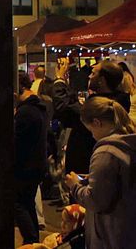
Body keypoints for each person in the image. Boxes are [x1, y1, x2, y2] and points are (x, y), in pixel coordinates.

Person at [64, 96, 136, 249]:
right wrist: (93, 179)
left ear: (97, 123)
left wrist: (74, 186)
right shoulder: (129, 144)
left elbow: (96, 201)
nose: (92, 135)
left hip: (109, 236)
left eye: (90, 130)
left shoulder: (105, 152)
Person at [53, 59, 130, 174]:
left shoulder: (105, 105)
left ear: (102, 80)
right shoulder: (117, 99)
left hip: (89, 165)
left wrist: (59, 80)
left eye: (93, 73)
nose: (89, 76)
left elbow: (66, 109)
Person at [15, 72, 49, 245]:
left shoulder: (26, 112)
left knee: (18, 203)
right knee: (27, 204)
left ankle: (30, 240)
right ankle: (33, 242)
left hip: (25, 166)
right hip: (36, 164)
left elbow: (17, 142)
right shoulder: (39, 107)